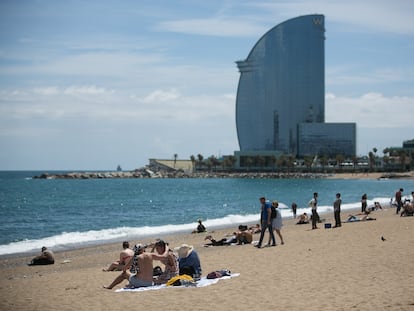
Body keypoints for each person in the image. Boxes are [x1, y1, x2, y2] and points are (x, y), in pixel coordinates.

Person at [104, 243, 169, 289]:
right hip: (149, 283)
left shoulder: (135, 257)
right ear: (142, 250)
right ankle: (130, 283)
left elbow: (125, 268)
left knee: (124, 274)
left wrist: (116, 266)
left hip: (140, 283)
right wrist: (167, 248)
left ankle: (110, 286)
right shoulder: (150, 255)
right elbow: (164, 256)